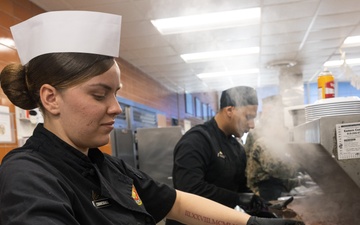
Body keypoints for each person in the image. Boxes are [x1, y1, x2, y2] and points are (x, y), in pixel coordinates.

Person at [0, 10, 305, 225]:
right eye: (99, 94)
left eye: (116, 92)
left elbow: (178, 202)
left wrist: (250, 222)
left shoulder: (107, 166)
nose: (116, 108)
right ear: (51, 98)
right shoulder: (28, 175)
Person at [167, 86, 279, 225]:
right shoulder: (197, 140)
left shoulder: (236, 148)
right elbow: (190, 189)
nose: (252, 125)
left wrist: (266, 212)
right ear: (230, 110)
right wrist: (237, 198)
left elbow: (240, 188)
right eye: (248, 117)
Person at [244, 95, 305, 201]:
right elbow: (275, 166)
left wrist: (298, 181)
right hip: (261, 190)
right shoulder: (258, 134)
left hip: (272, 184)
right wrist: (301, 166)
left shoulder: (277, 130)